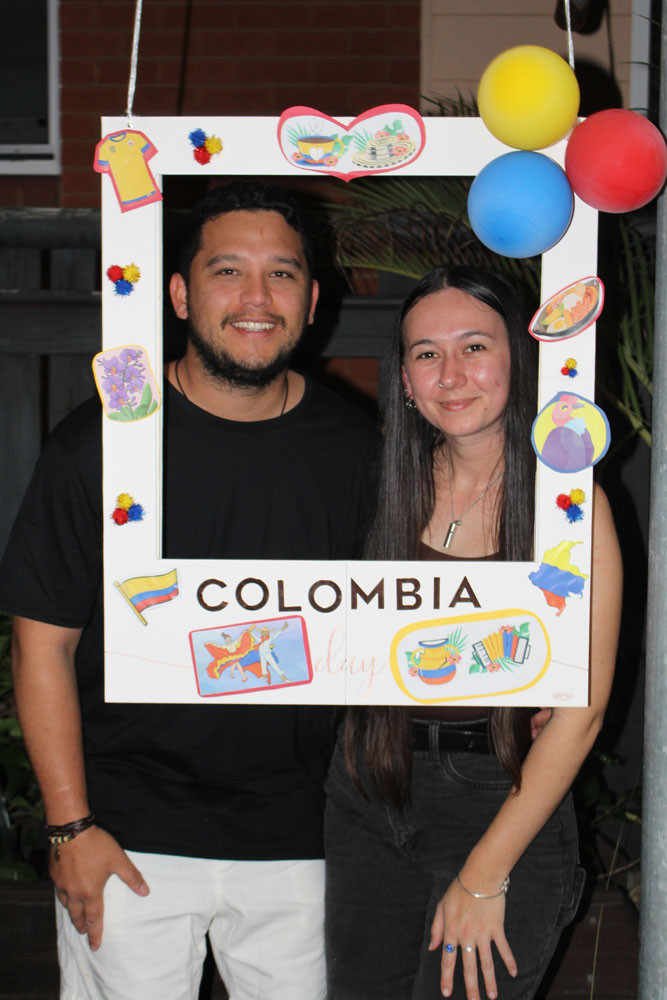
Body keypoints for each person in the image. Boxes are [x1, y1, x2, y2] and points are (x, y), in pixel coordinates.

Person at [0, 181, 377, 1000]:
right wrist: (69, 826)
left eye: (280, 275)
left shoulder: (360, 452)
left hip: (306, 840)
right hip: (127, 840)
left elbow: (388, 629)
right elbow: (43, 646)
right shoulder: (99, 445)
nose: (255, 298)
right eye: (226, 272)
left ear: (311, 301)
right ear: (178, 293)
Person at [324, 266, 622, 1000]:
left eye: (473, 347)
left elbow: (580, 716)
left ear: (517, 360)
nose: (450, 375)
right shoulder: (378, 484)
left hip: (498, 799)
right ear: (403, 377)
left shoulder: (569, 505)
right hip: (368, 785)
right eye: (425, 353)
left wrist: (484, 876)